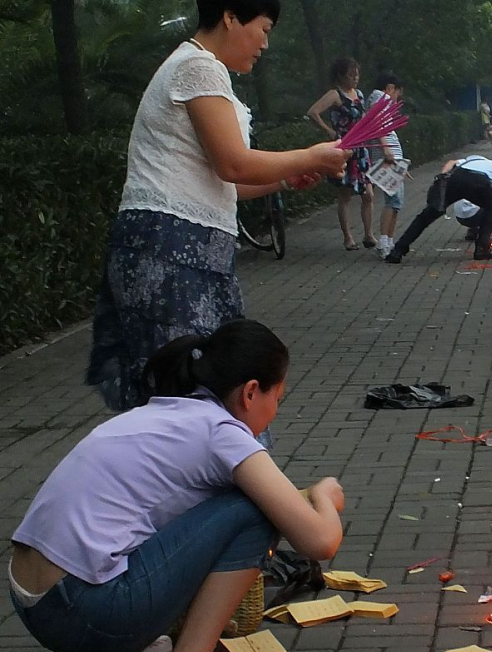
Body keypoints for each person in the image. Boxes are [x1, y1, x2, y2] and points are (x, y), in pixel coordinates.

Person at [11, 320, 345, 652]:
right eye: (278, 399)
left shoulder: (162, 415)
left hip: (33, 605)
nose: (275, 412)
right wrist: (323, 494)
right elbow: (319, 541)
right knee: (253, 512)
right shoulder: (221, 432)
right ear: (251, 392)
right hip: (86, 615)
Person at [86, 0, 348, 414]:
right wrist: (311, 156)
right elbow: (233, 162)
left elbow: (221, 182)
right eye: (263, 29)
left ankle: (204, 476)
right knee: (188, 390)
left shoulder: (197, 67)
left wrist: (283, 178)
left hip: (183, 246)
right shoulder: (199, 67)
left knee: (201, 385)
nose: (264, 43)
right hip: (170, 249)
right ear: (230, 16)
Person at [385, 156, 492, 264]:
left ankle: (397, 251)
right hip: (477, 181)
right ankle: (481, 249)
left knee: (426, 216)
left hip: (455, 178)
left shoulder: (477, 159)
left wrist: (442, 174)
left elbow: (452, 162)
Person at [307, 57, 392, 251]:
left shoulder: (359, 95)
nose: (355, 78)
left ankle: (369, 234)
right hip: (344, 149)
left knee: (368, 193)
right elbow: (313, 112)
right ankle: (348, 237)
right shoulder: (335, 95)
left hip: (361, 149)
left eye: (357, 74)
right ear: (340, 76)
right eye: (351, 75)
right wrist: (329, 131)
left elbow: (365, 120)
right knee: (345, 194)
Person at [367, 72, 407, 258]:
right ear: (390, 88)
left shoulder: (380, 99)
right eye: (397, 92)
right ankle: (383, 241)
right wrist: (386, 148)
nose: (397, 97)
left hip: (392, 153)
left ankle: (389, 240)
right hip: (387, 154)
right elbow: (377, 123)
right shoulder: (379, 97)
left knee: (397, 201)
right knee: (393, 199)